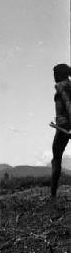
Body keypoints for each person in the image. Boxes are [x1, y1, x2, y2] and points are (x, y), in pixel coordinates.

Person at [51, 63, 71, 198]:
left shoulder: (62, 86)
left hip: (64, 126)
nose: (54, 77)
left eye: (55, 74)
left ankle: (52, 195)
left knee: (56, 159)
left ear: (60, 74)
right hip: (65, 125)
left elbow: (68, 104)